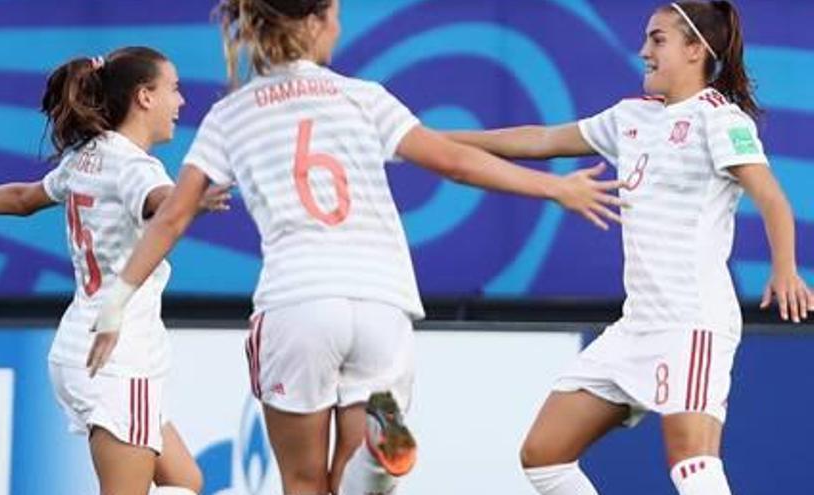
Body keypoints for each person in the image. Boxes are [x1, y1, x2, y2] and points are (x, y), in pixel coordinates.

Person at [88, 1, 625, 494]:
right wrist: (557, 186)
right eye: (337, 16)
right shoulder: (363, 97)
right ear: (318, 20)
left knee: (302, 481)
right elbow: (455, 162)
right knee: (356, 482)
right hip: (379, 300)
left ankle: (372, 457)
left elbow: (174, 215)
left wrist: (116, 303)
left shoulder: (231, 115)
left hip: (297, 303)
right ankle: (373, 456)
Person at [448, 2, 814, 494]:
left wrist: (786, 269)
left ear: (694, 50)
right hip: (637, 326)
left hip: (692, 321)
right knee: (543, 455)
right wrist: (437, 139)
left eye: (657, 39)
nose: (644, 50)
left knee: (692, 464)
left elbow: (770, 195)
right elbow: (540, 138)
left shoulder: (719, 120)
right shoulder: (630, 118)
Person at [0, 46, 227, 495]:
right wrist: (189, 201)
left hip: (80, 349)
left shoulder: (90, 155)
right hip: (118, 357)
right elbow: (159, 203)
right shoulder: (134, 166)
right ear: (144, 96)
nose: (182, 101)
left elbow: (24, 198)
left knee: (185, 480)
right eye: (173, 89)